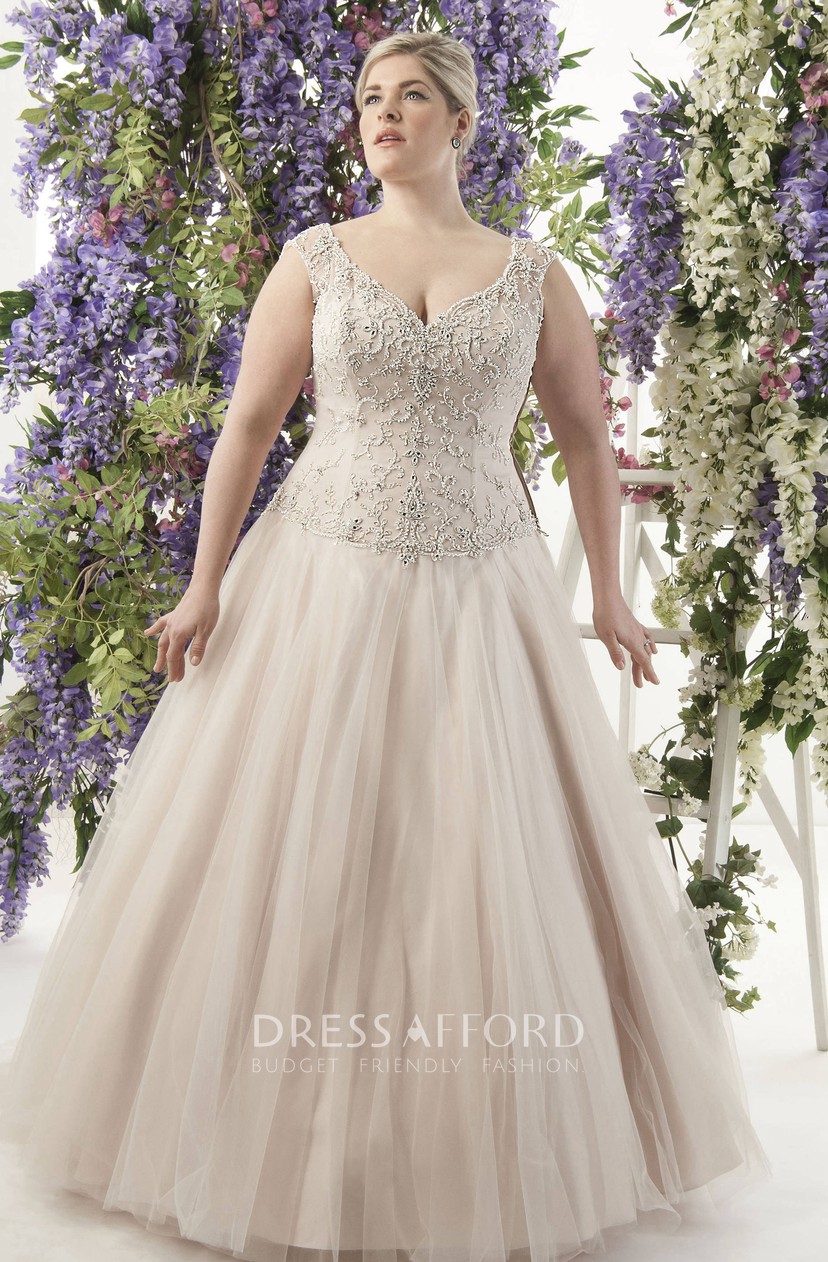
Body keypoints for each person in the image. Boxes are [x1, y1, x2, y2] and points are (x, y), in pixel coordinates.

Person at [0, 29, 771, 1262]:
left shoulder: (534, 274)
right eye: (370, 96)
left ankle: (480, 1149)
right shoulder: (316, 258)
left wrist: (611, 596)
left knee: (475, 853)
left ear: (463, 123)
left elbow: (586, 439)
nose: (384, 113)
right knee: (297, 843)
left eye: (413, 96)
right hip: (323, 576)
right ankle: (267, 1141)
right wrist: (203, 588)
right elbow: (249, 427)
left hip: (484, 587)